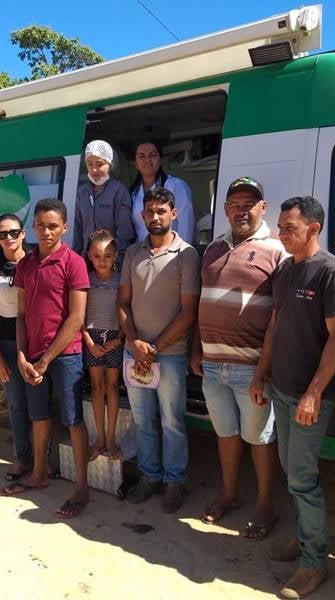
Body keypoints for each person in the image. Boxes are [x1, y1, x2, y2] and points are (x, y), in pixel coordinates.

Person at [250, 196, 335, 598]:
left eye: (289, 228)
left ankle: (314, 563)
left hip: (312, 397)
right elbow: (275, 326)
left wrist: (313, 393)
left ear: (314, 229)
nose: (280, 234)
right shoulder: (285, 270)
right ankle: (303, 539)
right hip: (282, 390)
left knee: (303, 479)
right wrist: (262, 376)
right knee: (293, 477)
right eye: (280, 226)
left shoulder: (330, 272)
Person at [190, 176, 284, 539]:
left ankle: (265, 504)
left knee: (260, 438)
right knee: (225, 433)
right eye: (235, 204)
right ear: (225, 209)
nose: (242, 210)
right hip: (213, 364)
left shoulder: (277, 249)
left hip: (252, 366)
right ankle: (229, 494)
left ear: (263, 208)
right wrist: (198, 348)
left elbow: (278, 316)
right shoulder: (213, 248)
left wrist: (264, 369)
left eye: (250, 203)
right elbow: (202, 301)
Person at [5, 199, 91, 520]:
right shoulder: (25, 265)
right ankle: (39, 472)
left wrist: (44, 361)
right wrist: (23, 355)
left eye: (53, 225)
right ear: (32, 227)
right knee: (38, 417)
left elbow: (76, 318)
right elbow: (22, 314)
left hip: (65, 355)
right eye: (41, 225)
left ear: (65, 228)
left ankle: (81, 487)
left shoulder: (75, 263)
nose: (46, 231)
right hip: (33, 356)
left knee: (72, 419)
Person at [119, 186, 200, 513]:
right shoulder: (132, 253)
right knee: (143, 421)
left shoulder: (187, 254)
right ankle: (149, 477)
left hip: (169, 354)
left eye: (161, 211)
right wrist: (135, 342)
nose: (155, 217)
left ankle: (174, 481)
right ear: (142, 215)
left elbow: (188, 312)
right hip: (134, 353)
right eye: (150, 211)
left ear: (174, 213)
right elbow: (122, 303)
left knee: (172, 421)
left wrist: (153, 347)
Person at [0, 214, 32, 479]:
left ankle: (43, 461)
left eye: (14, 232)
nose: (9, 238)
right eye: (2, 234)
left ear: (23, 233)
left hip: (37, 342)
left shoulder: (35, 261)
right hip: (8, 342)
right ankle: (23, 458)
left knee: (40, 403)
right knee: (16, 404)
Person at [82, 229, 124, 461]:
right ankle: (99, 438)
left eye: (108, 255)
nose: (102, 260)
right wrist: (88, 340)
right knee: (97, 387)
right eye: (97, 255)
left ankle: (111, 438)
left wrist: (120, 339)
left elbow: (127, 311)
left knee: (112, 386)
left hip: (116, 337)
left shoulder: (122, 280)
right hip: (92, 338)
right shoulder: (86, 279)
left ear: (116, 255)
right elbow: (78, 313)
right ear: (89, 255)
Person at [73, 140, 136, 258]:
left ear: (111, 164)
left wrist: (107, 254)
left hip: (111, 261)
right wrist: (77, 257)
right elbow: (78, 229)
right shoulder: (82, 192)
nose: (94, 169)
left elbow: (125, 232)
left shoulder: (119, 191)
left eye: (99, 164)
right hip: (87, 260)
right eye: (90, 164)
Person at [130, 141, 195, 244]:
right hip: (142, 254)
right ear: (135, 164)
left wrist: (182, 255)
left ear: (160, 160)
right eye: (142, 156)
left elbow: (186, 223)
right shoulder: (133, 193)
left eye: (153, 155)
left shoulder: (176, 185)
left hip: (172, 254)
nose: (147, 160)